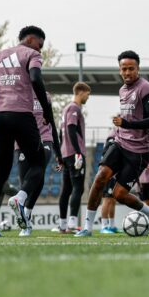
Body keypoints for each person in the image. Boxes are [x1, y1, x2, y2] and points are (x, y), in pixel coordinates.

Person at [0, 25, 62, 237]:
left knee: (1, 171)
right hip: (21, 114)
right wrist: (46, 110)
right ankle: (19, 198)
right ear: (30, 39)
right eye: (40, 44)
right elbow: (36, 79)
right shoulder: (32, 54)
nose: (41, 49)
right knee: (38, 162)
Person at [75, 51, 149, 237]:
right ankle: (87, 227)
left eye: (131, 68)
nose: (127, 72)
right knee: (100, 177)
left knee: (119, 194)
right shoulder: (122, 90)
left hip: (140, 150)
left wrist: (126, 123)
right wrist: (121, 128)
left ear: (138, 69)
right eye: (124, 69)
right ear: (120, 70)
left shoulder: (146, 88)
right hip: (121, 142)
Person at [12, 91, 55, 236]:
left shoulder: (45, 96)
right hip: (23, 141)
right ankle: (25, 219)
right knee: (28, 181)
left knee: (39, 170)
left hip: (44, 138)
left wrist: (60, 153)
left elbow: (51, 121)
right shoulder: (17, 94)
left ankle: (23, 206)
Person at [56, 81, 91, 233]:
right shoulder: (74, 108)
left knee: (67, 190)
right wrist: (77, 152)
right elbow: (71, 129)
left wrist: (60, 154)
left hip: (66, 153)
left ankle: (63, 225)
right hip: (73, 153)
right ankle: (71, 224)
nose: (88, 98)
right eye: (87, 94)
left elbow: (59, 134)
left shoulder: (65, 109)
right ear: (81, 92)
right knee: (78, 188)